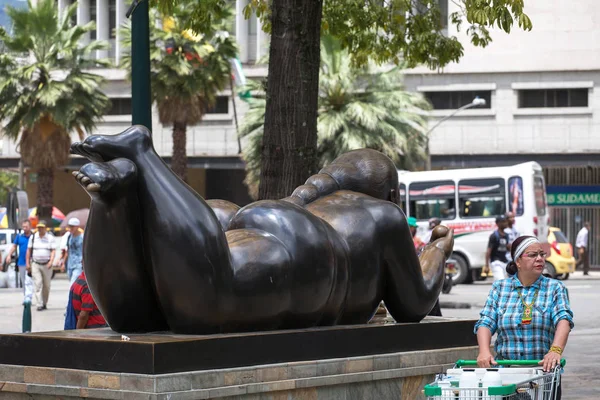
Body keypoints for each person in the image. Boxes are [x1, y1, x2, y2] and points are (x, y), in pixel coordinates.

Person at [475, 235, 574, 399]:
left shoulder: (555, 288)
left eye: (542, 254)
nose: (540, 259)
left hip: (543, 375)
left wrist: (555, 351)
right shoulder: (500, 288)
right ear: (518, 262)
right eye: (533, 255)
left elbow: (563, 320)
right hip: (506, 375)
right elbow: (486, 321)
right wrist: (484, 351)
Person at [26, 220, 56, 311]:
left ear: (45, 228)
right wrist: (27, 263)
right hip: (36, 263)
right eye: (39, 227)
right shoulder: (33, 237)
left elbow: (53, 251)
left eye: (42, 227)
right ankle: (39, 303)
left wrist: (51, 261)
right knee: (38, 283)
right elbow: (29, 250)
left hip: (46, 264)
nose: (40, 229)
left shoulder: (50, 238)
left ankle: (44, 303)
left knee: (46, 285)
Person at [4, 220, 33, 291]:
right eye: (23, 227)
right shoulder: (19, 236)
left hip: (32, 262)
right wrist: (9, 255)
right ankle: (26, 297)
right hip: (21, 262)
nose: (24, 228)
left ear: (30, 227)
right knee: (23, 281)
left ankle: (29, 297)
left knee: (29, 280)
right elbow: (14, 246)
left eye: (26, 227)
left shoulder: (34, 236)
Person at [485, 216, 509, 281]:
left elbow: (507, 248)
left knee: (504, 282)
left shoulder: (506, 235)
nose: (506, 223)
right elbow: (488, 251)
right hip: (496, 262)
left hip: (504, 262)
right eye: (503, 222)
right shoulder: (494, 236)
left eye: (506, 221)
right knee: (500, 281)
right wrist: (487, 266)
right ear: (498, 224)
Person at [62, 218, 84, 285]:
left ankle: (71, 295)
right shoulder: (69, 237)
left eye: (72, 226)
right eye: (69, 226)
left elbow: (85, 252)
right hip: (70, 264)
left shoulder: (82, 237)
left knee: (72, 284)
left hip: (79, 265)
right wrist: (63, 263)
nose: (70, 228)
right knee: (73, 284)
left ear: (77, 227)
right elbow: (68, 251)